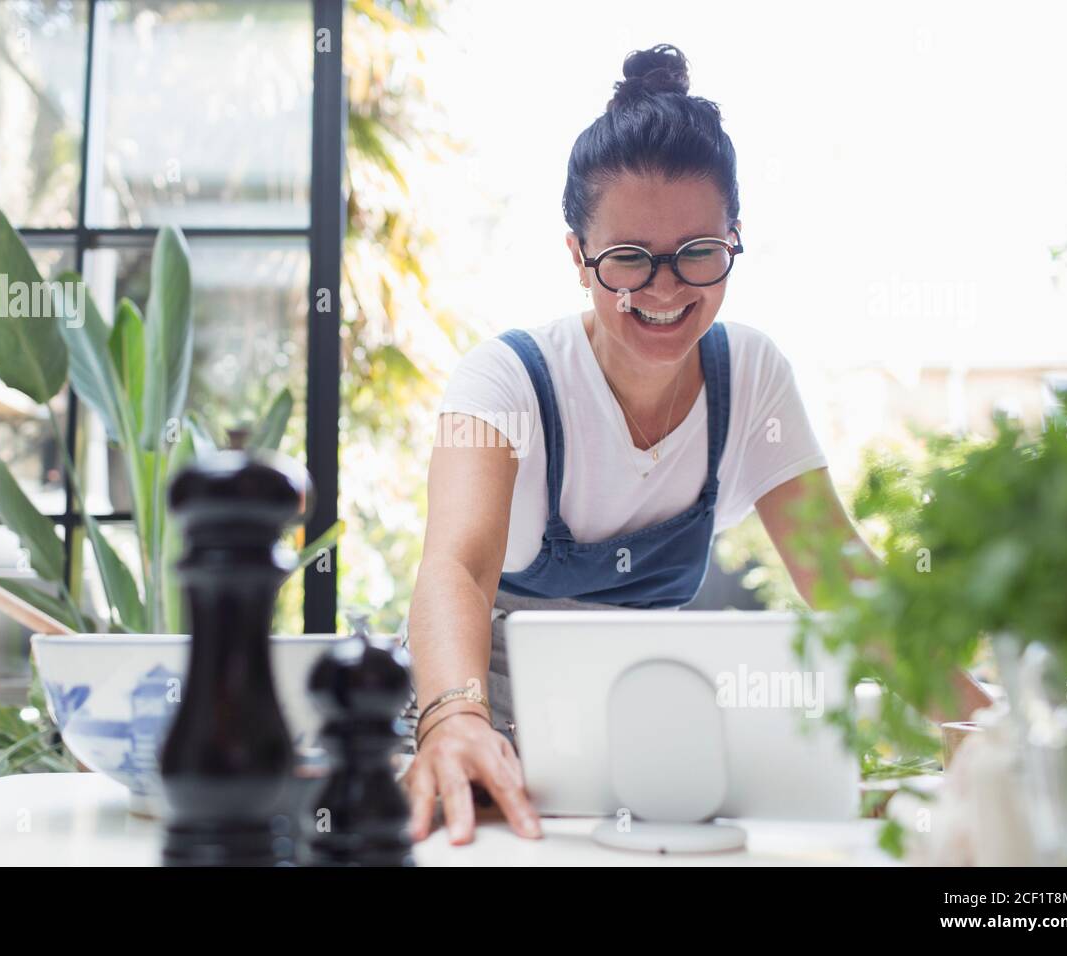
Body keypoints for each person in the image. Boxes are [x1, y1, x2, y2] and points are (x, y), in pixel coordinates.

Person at [400, 43, 991, 845]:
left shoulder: (751, 376)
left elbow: (842, 580)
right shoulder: (501, 381)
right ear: (578, 257)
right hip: (480, 750)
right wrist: (456, 719)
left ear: (734, 240)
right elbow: (456, 569)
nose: (667, 288)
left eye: (698, 254)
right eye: (628, 261)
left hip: (643, 761)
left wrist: (990, 729)